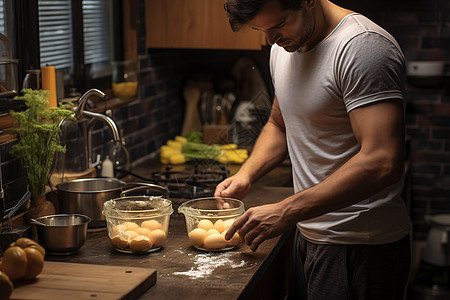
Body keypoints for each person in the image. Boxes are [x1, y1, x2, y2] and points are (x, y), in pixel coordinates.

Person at [214, 0, 412, 299]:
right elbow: (280, 124)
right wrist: (247, 174)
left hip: (360, 245)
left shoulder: (362, 48)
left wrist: (286, 210)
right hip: (310, 235)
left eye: (278, 25)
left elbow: (382, 160)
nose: (271, 39)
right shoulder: (284, 47)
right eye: (262, 29)